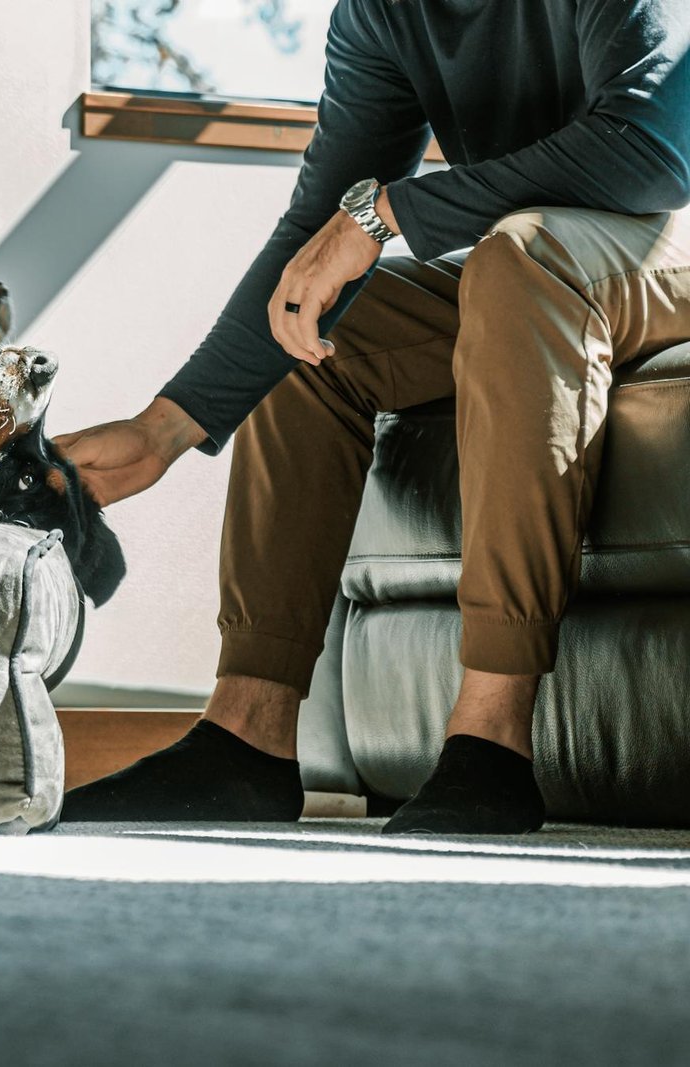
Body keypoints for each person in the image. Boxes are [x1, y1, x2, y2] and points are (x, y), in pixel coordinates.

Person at [55, 0, 690, 834]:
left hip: (663, 240)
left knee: (516, 257)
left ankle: (492, 739)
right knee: (315, 313)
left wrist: (386, 216)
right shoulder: (380, 13)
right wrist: (164, 428)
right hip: (537, 258)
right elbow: (319, 233)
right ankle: (247, 736)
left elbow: (652, 153)